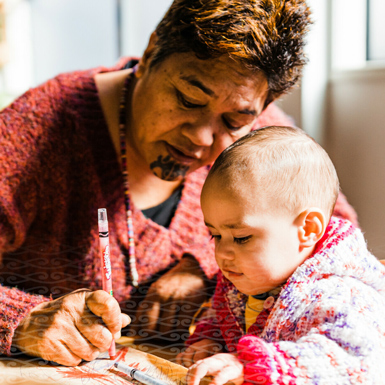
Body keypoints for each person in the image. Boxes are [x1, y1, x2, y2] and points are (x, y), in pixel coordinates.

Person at [0, 0, 357, 367]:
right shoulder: (36, 130)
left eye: (233, 121)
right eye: (188, 100)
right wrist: (21, 319)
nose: (203, 138)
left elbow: (337, 239)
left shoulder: (260, 138)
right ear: (151, 52)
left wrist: (204, 267)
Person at [176, 126, 385, 385]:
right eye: (215, 235)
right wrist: (211, 341)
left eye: (241, 237)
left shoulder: (342, 296)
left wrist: (255, 365)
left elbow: (355, 364)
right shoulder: (244, 280)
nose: (222, 252)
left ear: (307, 229)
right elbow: (223, 316)